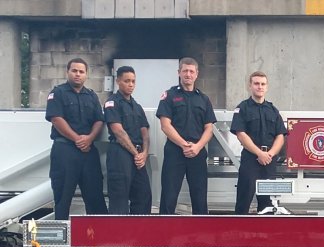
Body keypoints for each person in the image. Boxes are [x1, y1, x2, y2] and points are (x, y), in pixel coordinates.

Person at [45, 58, 107, 219]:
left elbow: (99, 120)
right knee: (63, 198)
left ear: (86, 75)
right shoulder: (57, 93)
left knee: (95, 198)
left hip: (88, 152)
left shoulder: (92, 96)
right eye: (74, 71)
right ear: (68, 72)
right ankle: (62, 242)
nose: (78, 74)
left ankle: (98, 241)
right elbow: (56, 119)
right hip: (65, 151)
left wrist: (90, 138)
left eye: (81, 71)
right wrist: (78, 139)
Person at [156, 57, 216, 215]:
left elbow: (209, 128)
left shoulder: (204, 99)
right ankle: (164, 237)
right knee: (169, 196)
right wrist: (184, 144)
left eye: (191, 71)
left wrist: (197, 147)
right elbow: (165, 125)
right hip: (175, 152)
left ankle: (201, 236)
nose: (188, 74)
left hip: (197, 152)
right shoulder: (169, 95)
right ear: (179, 73)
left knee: (199, 197)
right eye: (185, 71)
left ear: (197, 74)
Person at [231, 71, 288, 214]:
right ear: (250, 86)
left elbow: (280, 135)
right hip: (251, 159)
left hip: (269, 160)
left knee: (267, 203)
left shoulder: (273, 110)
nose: (259, 87)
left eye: (263, 84)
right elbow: (241, 134)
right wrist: (259, 153)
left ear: (267, 87)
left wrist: (270, 154)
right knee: (244, 199)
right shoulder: (242, 108)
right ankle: (239, 232)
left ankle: (264, 235)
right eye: (256, 83)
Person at [104, 66, 152, 214]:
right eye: (127, 81)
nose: (131, 84)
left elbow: (145, 132)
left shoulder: (137, 107)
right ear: (118, 81)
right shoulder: (112, 103)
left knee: (144, 195)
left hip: (138, 156)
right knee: (119, 198)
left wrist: (144, 153)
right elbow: (118, 132)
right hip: (120, 154)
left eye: (133, 81)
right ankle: (118, 237)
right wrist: (136, 154)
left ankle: (139, 235)